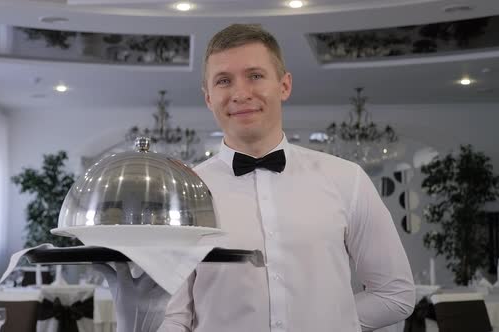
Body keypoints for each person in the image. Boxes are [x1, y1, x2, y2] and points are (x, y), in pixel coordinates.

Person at [105, 23, 415, 332]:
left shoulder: (348, 180)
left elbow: (395, 293)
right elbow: (175, 318)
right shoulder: (181, 194)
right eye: (224, 80)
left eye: (255, 75)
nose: (240, 93)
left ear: (284, 85)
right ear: (208, 98)